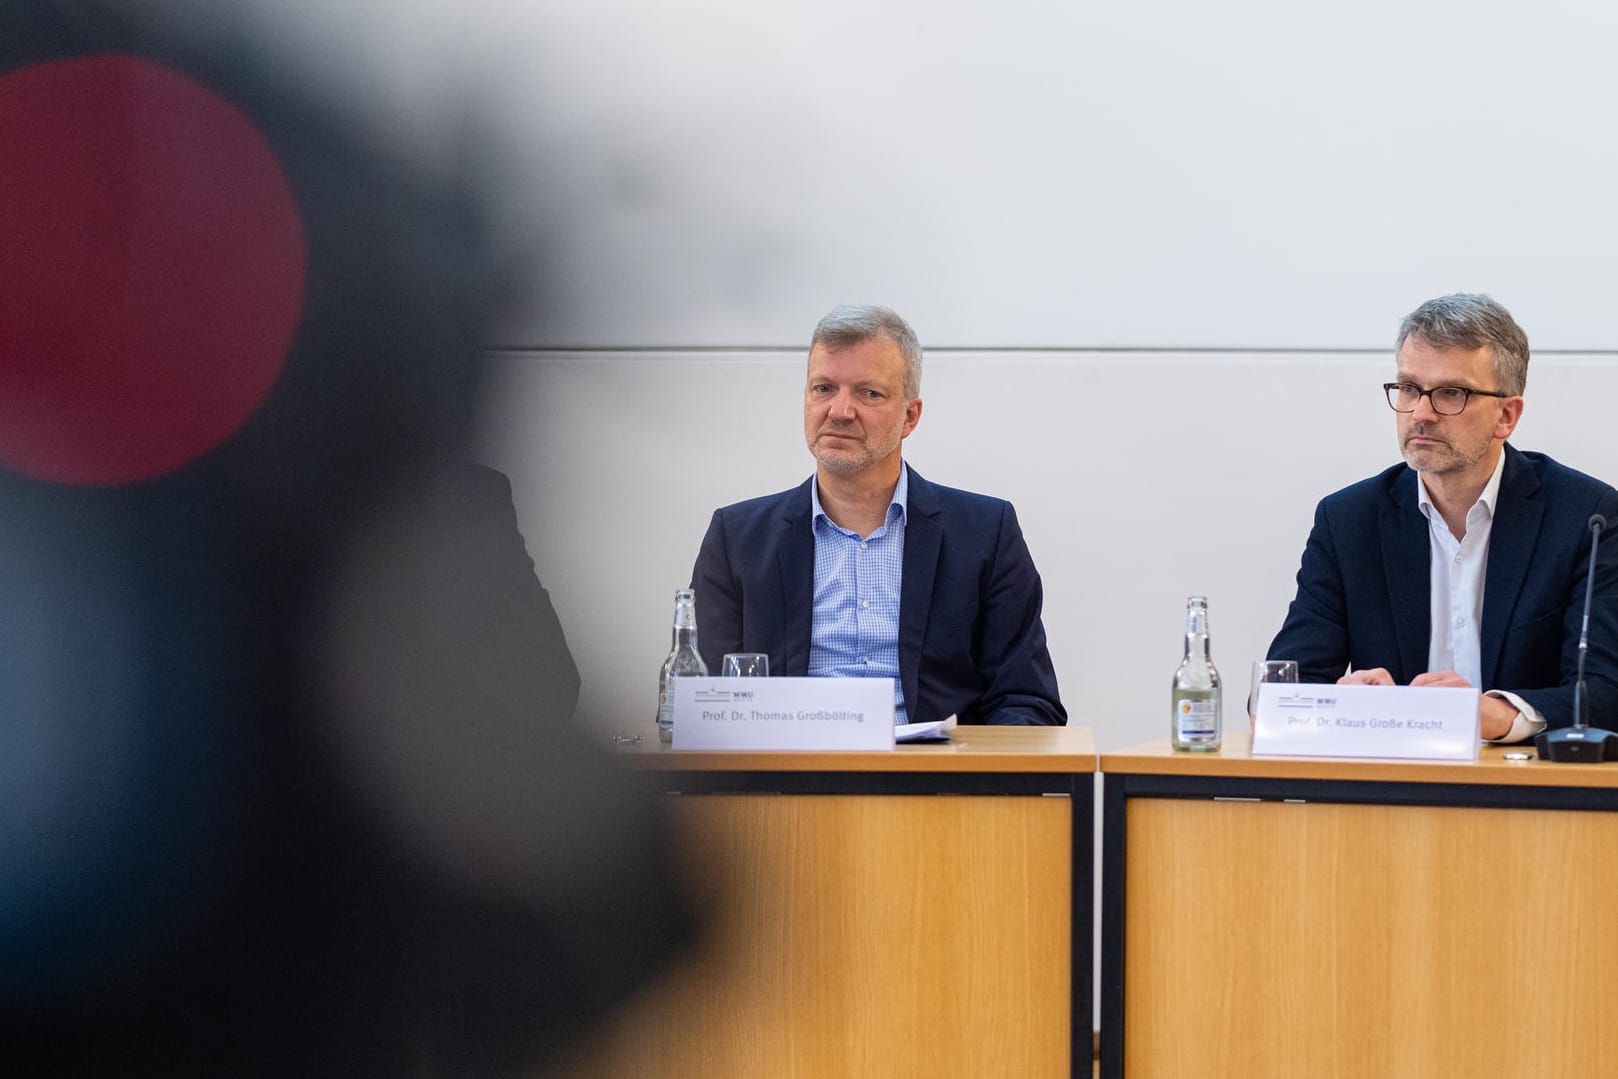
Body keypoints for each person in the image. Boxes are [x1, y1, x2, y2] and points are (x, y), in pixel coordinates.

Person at [690, 304, 1065, 726]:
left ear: (910, 416)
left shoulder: (985, 533)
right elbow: (706, 702)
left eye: (869, 393)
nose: (840, 411)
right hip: (787, 782)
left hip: (937, 781)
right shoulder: (737, 538)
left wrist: (969, 779)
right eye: (824, 388)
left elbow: (1028, 700)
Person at [1267, 293, 1618, 742]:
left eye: (1451, 393)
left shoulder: (1585, 518)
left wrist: (1501, 712)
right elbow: (1285, 689)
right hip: (1392, 792)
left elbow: (1604, 692)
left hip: (1527, 792)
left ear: (1506, 415)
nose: (1421, 413)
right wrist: (1345, 702)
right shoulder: (1349, 521)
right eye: (1409, 389)